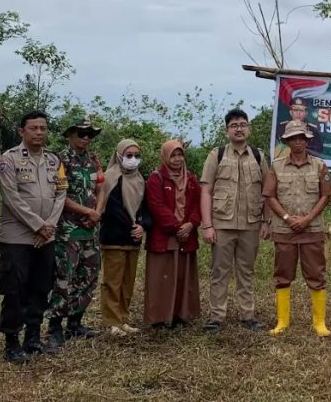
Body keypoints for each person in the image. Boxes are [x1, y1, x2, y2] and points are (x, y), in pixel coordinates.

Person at [0, 111, 67, 363]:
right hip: (17, 237)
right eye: (34, 128)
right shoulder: (9, 159)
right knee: (15, 289)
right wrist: (37, 225)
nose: (39, 132)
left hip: (46, 236)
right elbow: (11, 197)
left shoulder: (54, 160)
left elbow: (61, 194)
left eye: (43, 128)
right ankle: (12, 341)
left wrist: (49, 226)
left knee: (41, 286)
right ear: (21, 131)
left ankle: (33, 336)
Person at [199, 109, 270, 333]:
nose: (239, 129)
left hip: (250, 225)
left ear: (249, 128)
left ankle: (247, 314)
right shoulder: (217, 155)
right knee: (219, 271)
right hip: (222, 224)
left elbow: (267, 192)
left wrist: (266, 221)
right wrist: (208, 225)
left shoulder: (259, 156)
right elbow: (206, 191)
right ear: (226, 130)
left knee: (246, 271)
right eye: (234, 125)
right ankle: (216, 316)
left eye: (242, 124)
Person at [264, 121, 331, 337]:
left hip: (312, 229)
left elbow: (326, 195)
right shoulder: (276, 166)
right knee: (283, 274)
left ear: (307, 140)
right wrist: (287, 217)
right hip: (285, 231)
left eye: (302, 137)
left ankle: (319, 323)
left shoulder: (320, 166)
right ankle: (282, 321)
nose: (298, 141)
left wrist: (308, 218)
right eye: (293, 138)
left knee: (316, 274)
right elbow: (270, 196)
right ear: (287, 141)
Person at [46, 117, 104, 349]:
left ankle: (76, 323)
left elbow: (100, 188)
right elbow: (60, 196)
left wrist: (96, 213)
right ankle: (55, 327)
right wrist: (88, 212)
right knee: (63, 279)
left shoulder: (93, 160)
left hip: (91, 231)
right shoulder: (60, 160)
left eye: (90, 134)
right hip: (68, 231)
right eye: (81, 134)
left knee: (88, 277)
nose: (86, 138)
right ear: (70, 135)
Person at [143, 140, 202, 329]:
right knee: (161, 277)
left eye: (180, 155)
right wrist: (177, 227)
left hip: (187, 235)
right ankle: (159, 318)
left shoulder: (191, 179)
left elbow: (197, 205)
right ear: (165, 157)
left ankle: (180, 315)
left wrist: (191, 225)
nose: (177, 159)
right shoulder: (156, 178)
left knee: (182, 277)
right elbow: (157, 207)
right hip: (164, 237)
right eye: (173, 155)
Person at [96, 139, 148, 336]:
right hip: (114, 237)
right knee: (112, 281)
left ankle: (123, 318)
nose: (133, 159)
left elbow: (145, 207)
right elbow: (111, 209)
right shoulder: (109, 178)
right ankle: (112, 321)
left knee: (128, 281)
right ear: (119, 156)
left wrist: (142, 226)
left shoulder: (140, 179)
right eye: (128, 155)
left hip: (133, 239)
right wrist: (131, 225)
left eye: (136, 155)